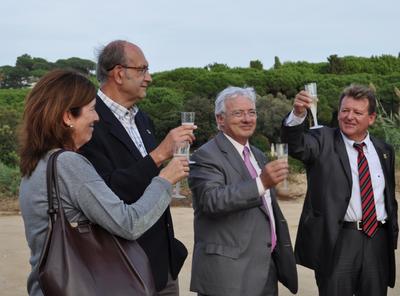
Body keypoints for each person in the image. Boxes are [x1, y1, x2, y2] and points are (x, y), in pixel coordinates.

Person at [18, 70, 189, 296]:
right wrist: (164, 180)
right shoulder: (69, 164)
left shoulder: (37, 163)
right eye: (91, 109)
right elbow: (128, 224)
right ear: (68, 116)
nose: (97, 118)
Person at [79, 40, 195, 295]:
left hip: (162, 265)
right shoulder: (88, 122)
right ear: (119, 73)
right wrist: (160, 153)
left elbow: (148, 180)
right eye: (142, 69)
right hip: (122, 268)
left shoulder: (142, 118)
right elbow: (108, 192)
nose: (149, 78)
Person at [281, 84, 398, 296]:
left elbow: (388, 198)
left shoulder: (384, 150)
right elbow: (296, 145)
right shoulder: (322, 140)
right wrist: (298, 114)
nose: (349, 116)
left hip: (378, 241)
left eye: (357, 112)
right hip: (337, 240)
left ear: (371, 118)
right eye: (345, 110)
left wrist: (392, 236)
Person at [188, 86, 298, 296]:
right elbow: (211, 200)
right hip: (228, 277)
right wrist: (261, 183)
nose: (247, 119)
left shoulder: (257, 154)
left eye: (252, 112)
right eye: (238, 113)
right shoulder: (205, 155)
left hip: (265, 270)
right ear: (220, 119)